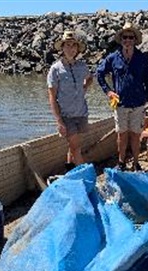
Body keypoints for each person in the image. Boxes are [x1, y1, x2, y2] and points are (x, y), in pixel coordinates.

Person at [96, 23, 148, 171]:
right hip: (120, 105)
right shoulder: (113, 58)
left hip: (138, 104)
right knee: (122, 135)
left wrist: (147, 95)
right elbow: (99, 73)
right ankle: (121, 162)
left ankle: (136, 162)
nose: (127, 40)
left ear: (135, 39)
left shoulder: (142, 58)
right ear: (121, 39)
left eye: (130, 37)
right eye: (125, 37)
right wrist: (108, 92)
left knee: (135, 135)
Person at [47, 31, 93, 171]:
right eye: (68, 45)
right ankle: (85, 175)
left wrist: (83, 89)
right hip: (66, 116)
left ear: (77, 49)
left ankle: (69, 169)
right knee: (76, 148)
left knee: (72, 146)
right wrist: (59, 121)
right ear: (62, 48)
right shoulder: (55, 69)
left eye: (74, 46)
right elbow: (52, 97)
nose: (71, 48)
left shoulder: (82, 66)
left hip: (81, 112)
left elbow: (90, 78)